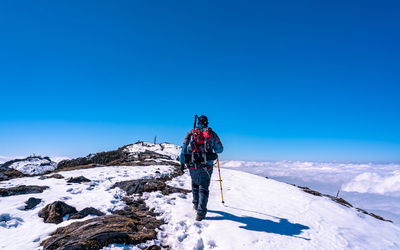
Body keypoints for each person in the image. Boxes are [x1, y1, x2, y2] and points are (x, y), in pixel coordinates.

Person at [180, 115, 223, 221]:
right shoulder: (212, 134)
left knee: (195, 184)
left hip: (192, 165)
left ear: (198, 122)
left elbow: (183, 149)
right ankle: (201, 213)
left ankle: (195, 204)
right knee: (204, 188)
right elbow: (220, 149)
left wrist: (182, 163)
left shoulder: (191, 133)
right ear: (207, 122)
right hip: (207, 166)